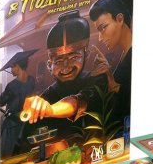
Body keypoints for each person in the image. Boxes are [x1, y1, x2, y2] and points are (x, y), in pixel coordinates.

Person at [21, 10, 107, 140]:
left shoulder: (97, 81)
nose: (66, 66)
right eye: (59, 61)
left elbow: (79, 102)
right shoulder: (46, 97)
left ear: (86, 55)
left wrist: (50, 110)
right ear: (50, 65)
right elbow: (25, 139)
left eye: (74, 57)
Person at [88, 0, 133, 124]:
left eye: (103, 27)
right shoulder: (125, 56)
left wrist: (114, 85)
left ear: (120, 19)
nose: (100, 38)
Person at [0, 50, 37, 156]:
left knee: (7, 153)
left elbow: (0, 102)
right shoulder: (31, 80)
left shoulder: (12, 86)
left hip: (12, 125)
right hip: (25, 123)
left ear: (18, 66)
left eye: (12, 67)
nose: (11, 70)